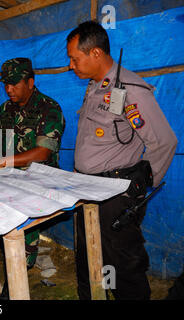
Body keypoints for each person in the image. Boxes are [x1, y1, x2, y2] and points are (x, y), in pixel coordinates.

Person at [66, 21, 177, 300]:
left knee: (122, 265)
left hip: (114, 194)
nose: (70, 65)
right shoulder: (93, 87)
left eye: (74, 58)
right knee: (88, 257)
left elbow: (163, 142)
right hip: (86, 189)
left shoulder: (130, 90)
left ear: (95, 54)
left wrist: (139, 187)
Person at [0, 57, 65, 298]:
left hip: (40, 179)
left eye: (14, 84)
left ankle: (17, 276)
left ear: (30, 82)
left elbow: (44, 152)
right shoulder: (5, 109)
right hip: (9, 174)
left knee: (22, 216)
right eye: (6, 84)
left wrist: (0, 162)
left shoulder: (49, 107)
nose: (9, 89)